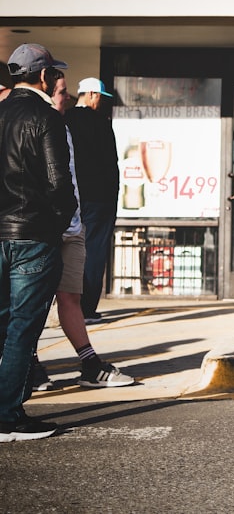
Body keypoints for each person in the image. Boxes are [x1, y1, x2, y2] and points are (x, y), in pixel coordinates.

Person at [30, 68, 135, 390]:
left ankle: (85, 363)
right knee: (34, 298)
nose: (66, 100)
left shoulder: (64, 123)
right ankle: (28, 368)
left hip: (71, 213)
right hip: (61, 215)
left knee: (62, 295)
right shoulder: (50, 123)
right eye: (62, 94)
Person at [0, 43, 78, 441]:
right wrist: (59, 222)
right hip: (32, 235)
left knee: (3, 324)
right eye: (54, 74)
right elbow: (58, 183)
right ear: (44, 77)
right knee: (23, 329)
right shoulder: (45, 116)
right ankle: (8, 415)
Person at [66, 76, 119, 324]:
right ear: (90, 95)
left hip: (74, 196)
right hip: (100, 198)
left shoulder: (65, 120)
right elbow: (111, 163)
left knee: (70, 249)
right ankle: (87, 308)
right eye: (99, 97)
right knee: (95, 250)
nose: (100, 102)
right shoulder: (101, 123)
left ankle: (69, 306)